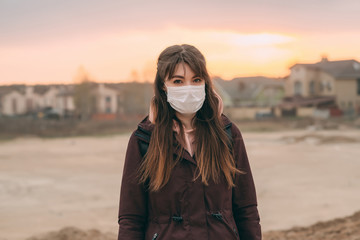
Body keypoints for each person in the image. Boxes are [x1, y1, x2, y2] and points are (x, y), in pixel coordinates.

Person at [117, 44, 261, 240]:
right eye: (178, 81)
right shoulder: (144, 140)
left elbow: (247, 209)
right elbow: (131, 219)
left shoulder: (227, 134)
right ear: (163, 86)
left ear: (205, 83)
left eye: (196, 80)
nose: (189, 89)